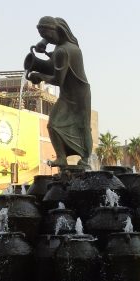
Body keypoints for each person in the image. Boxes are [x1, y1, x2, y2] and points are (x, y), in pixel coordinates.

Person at [24, 17, 93, 168]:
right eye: (43, 36)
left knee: (82, 125)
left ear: (57, 31)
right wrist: (42, 48)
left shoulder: (64, 51)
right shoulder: (60, 48)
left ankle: (85, 158)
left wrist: (39, 76)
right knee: (53, 125)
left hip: (79, 95)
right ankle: (61, 157)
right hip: (67, 94)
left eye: (47, 36)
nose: (46, 39)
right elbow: (52, 67)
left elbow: (57, 79)